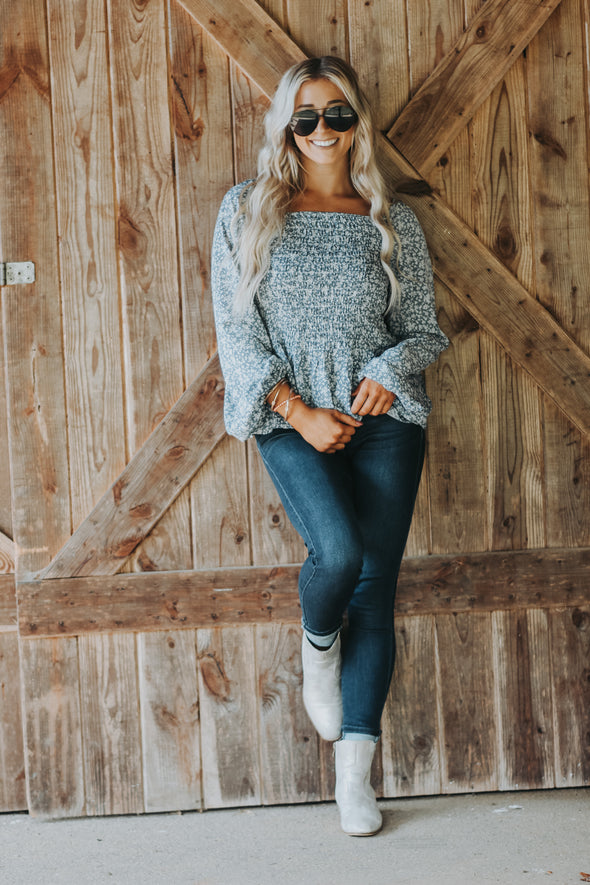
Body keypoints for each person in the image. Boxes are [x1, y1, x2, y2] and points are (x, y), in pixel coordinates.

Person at [211, 56, 449, 836]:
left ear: (358, 123)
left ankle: (356, 776)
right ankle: (319, 645)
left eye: (337, 113)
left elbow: (423, 329)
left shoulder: (392, 220)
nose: (322, 130)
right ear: (287, 126)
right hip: (291, 419)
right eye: (305, 116)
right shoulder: (245, 210)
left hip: (386, 421)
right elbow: (237, 335)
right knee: (339, 556)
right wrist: (296, 409)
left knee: (376, 591)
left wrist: (386, 368)